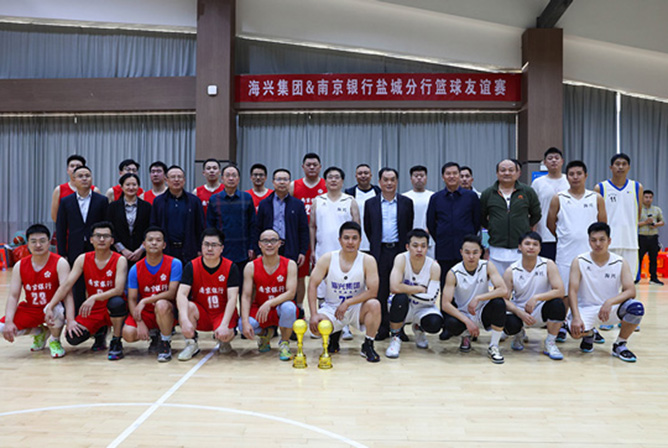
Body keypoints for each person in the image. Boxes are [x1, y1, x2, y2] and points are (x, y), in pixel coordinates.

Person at [45, 222, 128, 360]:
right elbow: (66, 285)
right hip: (93, 309)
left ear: (112, 240)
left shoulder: (120, 260)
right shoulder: (83, 259)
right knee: (72, 337)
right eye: (98, 236)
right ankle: (100, 332)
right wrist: (51, 306)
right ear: (91, 239)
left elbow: (118, 290)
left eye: (106, 236)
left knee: (117, 303)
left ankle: (116, 340)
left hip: (112, 307)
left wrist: (94, 297)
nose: (102, 239)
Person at [546, 160, 606, 343]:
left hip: (590, 254)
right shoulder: (559, 198)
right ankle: (561, 325)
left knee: (589, 293)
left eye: (579, 173)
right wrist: (566, 237)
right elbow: (550, 223)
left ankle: (590, 328)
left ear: (586, 176)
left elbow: (602, 225)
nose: (575, 177)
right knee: (564, 293)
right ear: (567, 177)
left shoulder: (596, 198)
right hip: (565, 253)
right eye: (571, 174)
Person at [567, 222, 644, 362]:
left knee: (636, 308)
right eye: (593, 240)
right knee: (575, 332)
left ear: (609, 241)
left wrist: (610, 302)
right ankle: (589, 334)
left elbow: (631, 291)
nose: (598, 244)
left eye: (602, 240)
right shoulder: (579, 261)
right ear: (589, 241)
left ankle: (620, 344)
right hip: (586, 308)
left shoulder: (620, 262)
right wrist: (576, 317)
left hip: (610, 309)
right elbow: (572, 291)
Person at [308, 221, 382, 362]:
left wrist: (348, 302)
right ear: (340, 240)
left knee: (374, 304)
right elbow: (312, 285)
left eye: (354, 238)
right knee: (317, 328)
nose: (350, 242)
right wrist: (313, 314)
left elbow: (373, 291)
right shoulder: (327, 258)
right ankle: (334, 336)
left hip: (356, 308)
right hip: (332, 308)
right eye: (346, 238)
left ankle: (368, 344)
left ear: (360, 240)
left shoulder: (368, 260)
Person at [56, 165, 109, 349]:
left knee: (98, 288)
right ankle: (81, 323)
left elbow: (106, 225)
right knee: (78, 288)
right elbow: (61, 228)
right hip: (75, 250)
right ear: (73, 179)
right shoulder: (66, 201)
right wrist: (62, 254)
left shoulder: (101, 200)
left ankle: (101, 333)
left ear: (91, 178)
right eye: (80, 176)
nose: (84, 178)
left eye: (87, 175)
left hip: (99, 250)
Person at [1, 224, 70, 358]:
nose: (38, 245)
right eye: (33, 241)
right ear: (27, 244)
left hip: (53, 308)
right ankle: (39, 332)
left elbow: (67, 293)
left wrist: (70, 319)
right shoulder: (20, 265)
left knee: (57, 310)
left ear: (49, 242)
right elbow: (13, 296)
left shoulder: (60, 262)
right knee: (2, 328)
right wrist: (9, 321)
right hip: (31, 308)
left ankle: (55, 340)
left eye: (42, 241)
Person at [441, 235, 508, 364]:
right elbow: (445, 304)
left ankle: (494, 346)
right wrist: (467, 321)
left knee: (499, 303)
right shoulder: (453, 273)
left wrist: (479, 297)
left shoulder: (487, 266)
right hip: (464, 314)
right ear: (461, 252)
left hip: (482, 312)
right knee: (450, 323)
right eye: (467, 252)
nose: (471, 256)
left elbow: (503, 290)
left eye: (475, 252)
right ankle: (465, 335)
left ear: (481, 252)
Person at [364, 167, 414, 340]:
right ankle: (383, 327)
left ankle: (399, 329)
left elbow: (408, 227)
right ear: (379, 182)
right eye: (385, 179)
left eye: (392, 179)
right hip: (380, 252)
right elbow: (368, 228)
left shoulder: (406, 203)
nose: (389, 183)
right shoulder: (370, 203)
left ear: (397, 182)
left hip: (399, 252)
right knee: (381, 291)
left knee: (400, 291)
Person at [310, 166, 360, 340]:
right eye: (330, 177)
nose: (333, 180)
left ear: (342, 181)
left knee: (344, 287)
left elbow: (357, 227)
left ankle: (345, 325)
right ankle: (320, 322)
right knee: (322, 288)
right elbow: (312, 226)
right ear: (325, 181)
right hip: (322, 250)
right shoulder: (318, 201)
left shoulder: (350, 201)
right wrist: (312, 248)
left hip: (345, 253)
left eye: (337, 177)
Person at [176, 228, 240, 361]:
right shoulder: (191, 266)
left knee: (226, 334)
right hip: (202, 313)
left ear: (221, 248)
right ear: (201, 247)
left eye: (214, 245)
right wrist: (184, 319)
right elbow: (181, 294)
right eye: (206, 244)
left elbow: (232, 298)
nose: (210, 248)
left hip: (221, 313)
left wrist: (224, 324)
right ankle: (191, 344)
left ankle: (224, 341)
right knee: (187, 306)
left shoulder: (231, 267)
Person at [502, 232, 566, 360]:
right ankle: (518, 334)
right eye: (527, 244)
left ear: (540, 248)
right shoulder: (511, 270)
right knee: (507, 321)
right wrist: (519, 312)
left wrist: (536, 298)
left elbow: (560, 291)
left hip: (541, 309)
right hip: (520, 311)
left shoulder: (548, 264)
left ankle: (550, 342)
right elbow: (503, 299)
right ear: (520, 247)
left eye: (535, 244)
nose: (531, 247)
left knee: (558, 304)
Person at [123, 227, 182, 362]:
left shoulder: (174, 263)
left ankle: (165, 342)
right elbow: (132, 299)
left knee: (161, 305)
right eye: (150, 240)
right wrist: (139, 322)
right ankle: (155, 334)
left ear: (164, 245)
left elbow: (172, 293)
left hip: (166, 310)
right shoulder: (135, 269)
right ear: (144, 245)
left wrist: (145, 300)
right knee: (128, 334)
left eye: (158, 240)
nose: (154, 243)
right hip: (146, 312)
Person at [240, 229, 298, 361]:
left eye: (273, 241)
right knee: (243, 326)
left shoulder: (290, 264)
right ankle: (265, 334)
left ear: (280, 243)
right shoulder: (250, 266)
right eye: (265, 241)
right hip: (260, 308)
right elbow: (246, 296)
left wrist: (270, 303)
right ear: (259, 244)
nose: (269, 244)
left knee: (289, 308)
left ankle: (284, 343)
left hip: (279, 307)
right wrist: (245, 321)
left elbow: (291, 293)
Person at [385, 229, 443, 358]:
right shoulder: (401, 259)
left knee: (435, 323)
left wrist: (405, 289)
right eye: (415, 246)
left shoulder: (434, 266)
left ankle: (419, 328)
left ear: (427, 247)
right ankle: (395, 338)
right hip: (402, 305)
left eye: (423, 246)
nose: (419, 250)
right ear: (407, 247)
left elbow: (431, 298)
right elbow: (394, 287)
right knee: (400, 299)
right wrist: (419, 289)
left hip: (423, 307)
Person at [480, 159, 541, 275]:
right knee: (497, 282)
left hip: (520, 247)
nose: (507, 173)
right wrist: (493, 227)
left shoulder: (527, 192)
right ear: (497, 173)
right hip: (496, 247)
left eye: (511, 170)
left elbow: (536, 214)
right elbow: (481, 217)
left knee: (519, 281)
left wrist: (524, 227)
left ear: (518, 173)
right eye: (503, 170)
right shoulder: (488, 194)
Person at [256, 168, 309, 300]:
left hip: (290, 246)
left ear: (289, 182)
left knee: (291, 278)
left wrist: (302, 251)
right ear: (273, 182)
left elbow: (303, 229)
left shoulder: (297, 204)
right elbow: (258, 228)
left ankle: (293, 307)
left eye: (285, 179)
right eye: (279, 179)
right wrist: (258, 250)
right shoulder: (264, 203)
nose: (282, 182)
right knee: (270, 278)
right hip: (270, 246)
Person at [427, 162, 481, 287]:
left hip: (467, 251)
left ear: (459, 176)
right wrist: (441, 237)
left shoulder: (471, 197)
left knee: (467, 284)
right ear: (443, 177)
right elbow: (431, 223)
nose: (451, 176)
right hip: (444, 249)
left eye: (455, 173)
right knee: (446, 284)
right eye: (448, 174)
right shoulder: (436, 198)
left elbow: (476, 221)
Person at [206, 164, 257, 291]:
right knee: (222, 286)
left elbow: (252, 225)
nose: (231, 178)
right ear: (222, 178)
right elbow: (210, 227)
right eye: (227, 175)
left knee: (243, 286)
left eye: (234, 175)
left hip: (243, 250)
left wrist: (252, 247)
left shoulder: (246, 198)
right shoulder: (214, 199)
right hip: (222, 250)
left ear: (238, 179)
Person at [595, 153, 643, 283]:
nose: (620, 167)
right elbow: (597, 216)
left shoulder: (637, 187)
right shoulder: (601, 188)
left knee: (629, 281)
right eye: (617, 164)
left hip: (630, 242)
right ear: (611, 167)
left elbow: (638, 213)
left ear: (629, 167)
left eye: (624, 164)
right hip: (608, 242)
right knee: (607, 280)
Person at [290, 153, 327, 315]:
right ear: (303, 167)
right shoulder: (294, 186)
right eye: (308, 165)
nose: (312, 167)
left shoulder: (326, 185)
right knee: (299, 275)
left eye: (315, 165)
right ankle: (299, 308)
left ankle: (325, 308)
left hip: (323, 237)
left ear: (320, 167)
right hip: (300, 238)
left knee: (325, 275)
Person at [150, 165, 205, 263]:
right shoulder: (158, 201)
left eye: (179, 177)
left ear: (184, 180)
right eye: (173, 177)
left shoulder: (194, 201)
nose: (176, 180)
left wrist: (200, 249)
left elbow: (200, 227)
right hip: (166, 250)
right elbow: (154, 226)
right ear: (166, 180)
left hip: (189, 250)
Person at [531, 148, 569, 260]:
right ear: (545, 162)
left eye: (557, 158)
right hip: (544, 235)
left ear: (562, 161)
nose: (554, 161)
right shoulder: (537, 183)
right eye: (550, 158)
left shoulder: (569, 180)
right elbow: (533, 209)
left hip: (567, 234)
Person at [106, 173, 151, 264]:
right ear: (122, 187)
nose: (131, 187)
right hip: (118, 253)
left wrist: (141, 249)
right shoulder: (113, 207)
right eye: (127, 185)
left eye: (134, 185)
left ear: (138, 187)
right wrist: (122, 249)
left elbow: (150, 228)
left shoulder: (147, 207)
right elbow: (110, 229)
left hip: (142, 253)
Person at [50, 155, 101, 222]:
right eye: (72, 166)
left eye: (78, 166)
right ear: (67, 170)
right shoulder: (59, 190)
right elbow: (54, 216)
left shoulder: (94, 190)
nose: (75, 168)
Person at [403, 165, 435, 258]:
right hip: (410, 240)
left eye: (422, 175)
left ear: (426, 178)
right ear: (411, 178)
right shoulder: (404, 197)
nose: (419, 178)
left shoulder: (433, 196)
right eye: (416, 176)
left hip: (430, 240)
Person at [638, 189, 664, 286]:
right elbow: (634, 224)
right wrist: (645, 222)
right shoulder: (638, 209)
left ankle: (653, 278)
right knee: (639, 258)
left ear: (652, 198)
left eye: (650, 197)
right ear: (642, 198)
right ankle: (636, 278)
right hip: (642, 237)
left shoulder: (657, 209)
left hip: (653, 237)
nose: (648, 199)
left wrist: (656, 224)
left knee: (653, 259)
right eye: (646, 197)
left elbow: (662, 222)